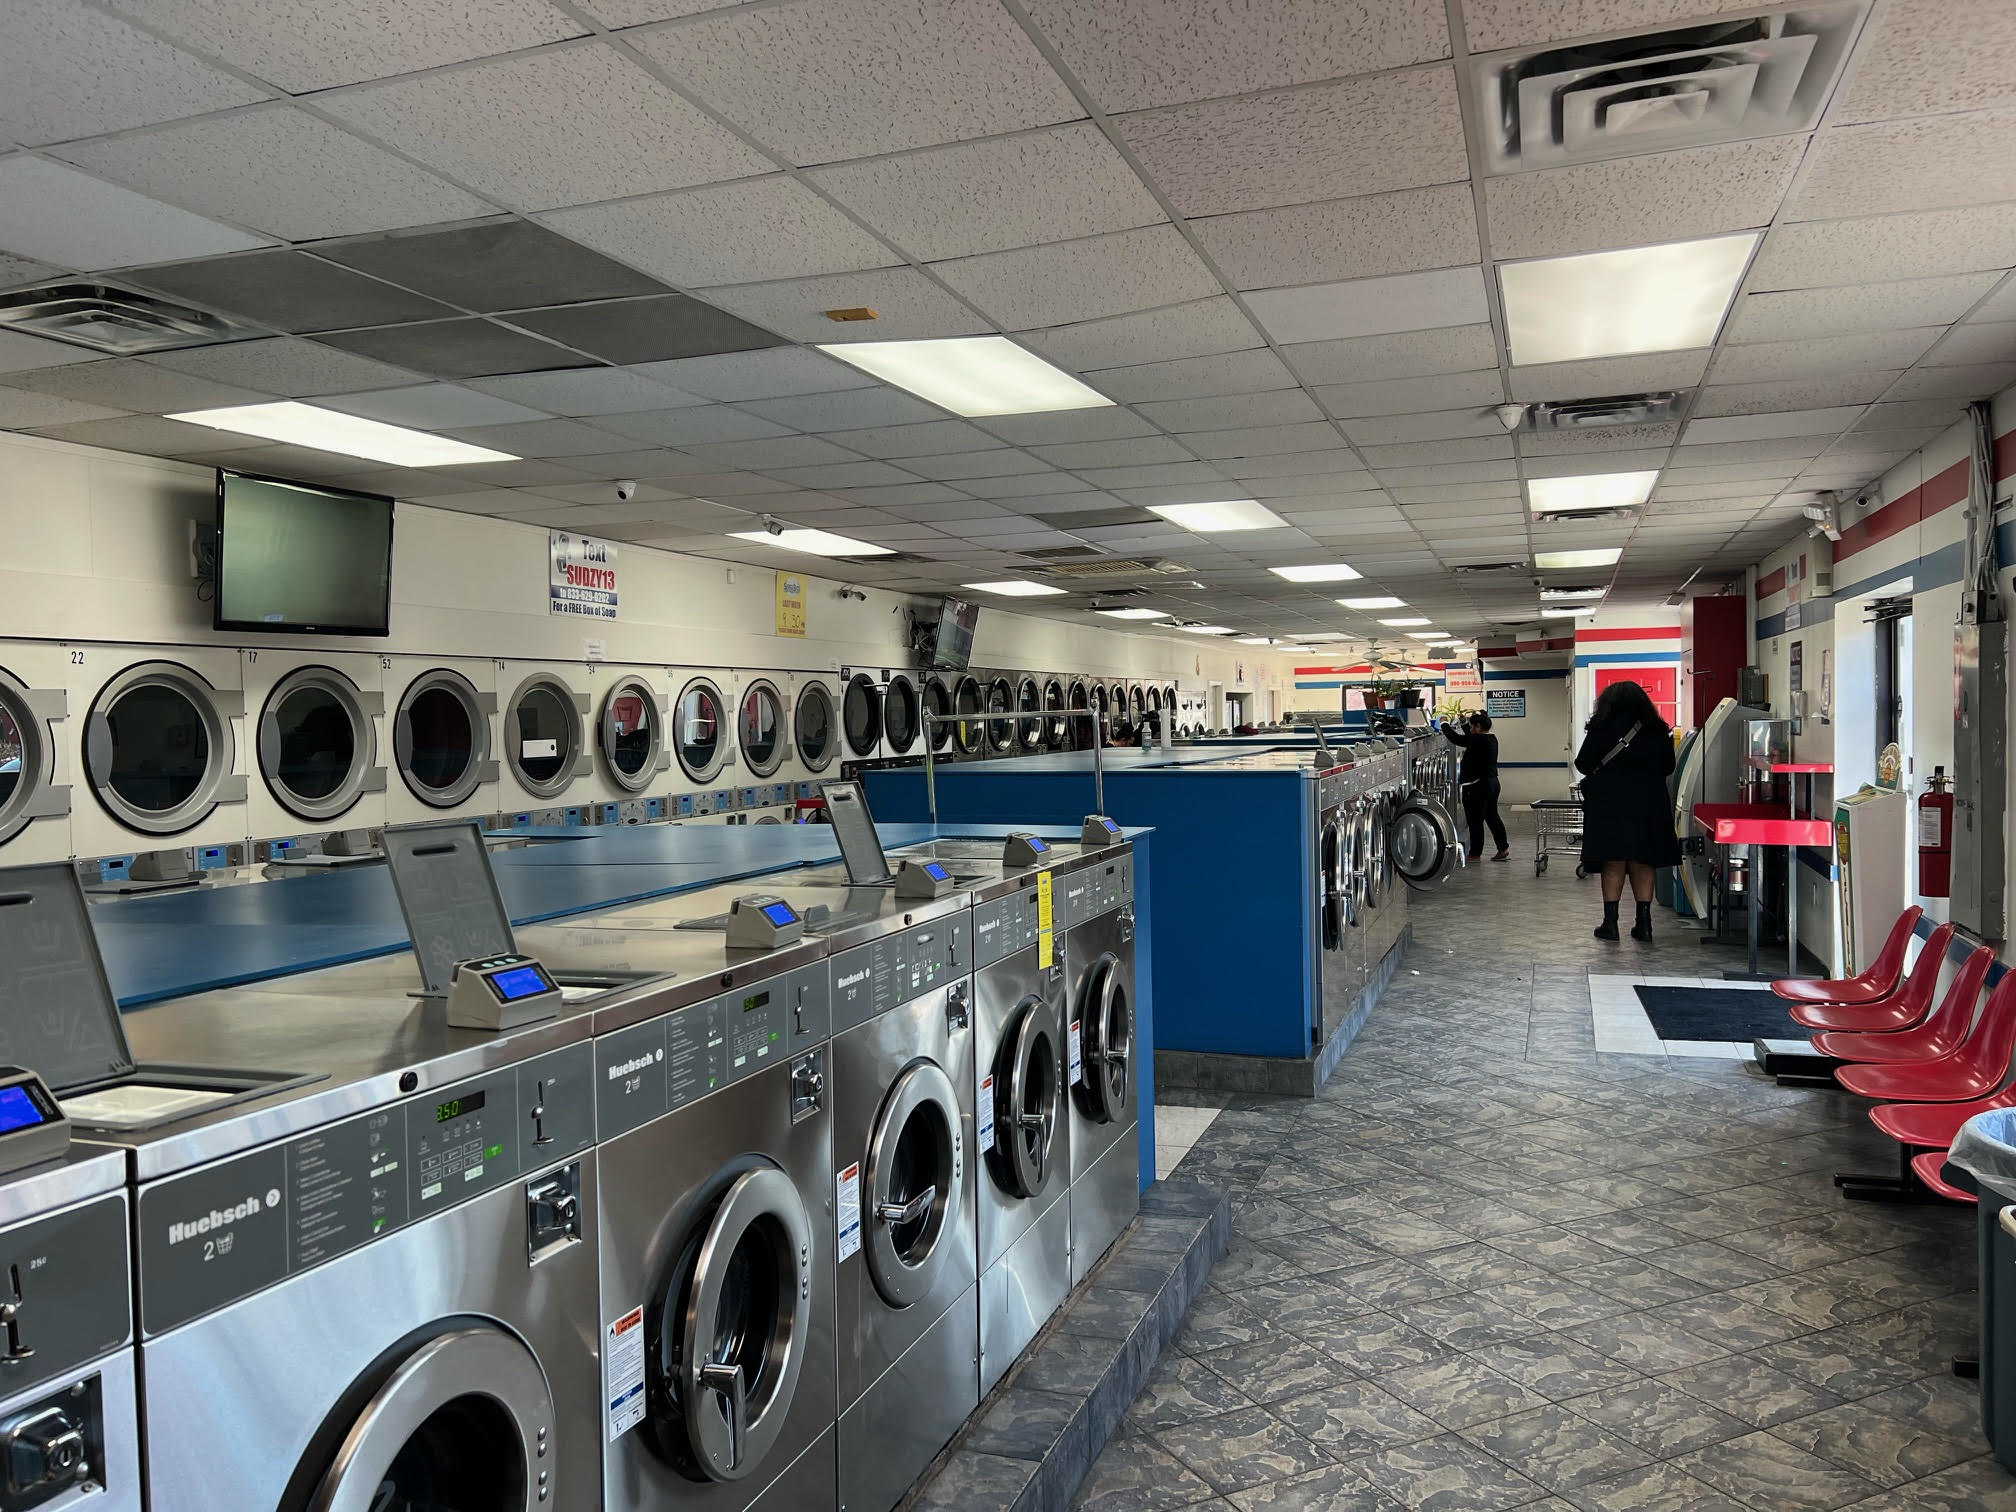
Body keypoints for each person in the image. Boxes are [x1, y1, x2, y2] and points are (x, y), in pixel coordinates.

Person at [1574, 680, 1681, 942]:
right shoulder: (1657, 730)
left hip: (1609, 803)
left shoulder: (1600, 728)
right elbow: (1668, 766)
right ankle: (1644, 925)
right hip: (1649, 803)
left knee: (1614, 860)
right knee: (1643, 860)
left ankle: (1610, 925)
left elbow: (1583, 763)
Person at [1441, 710, 1508, 861]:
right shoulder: (1491, 738)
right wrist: (1465, 723)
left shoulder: (1477, 740)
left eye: (1472, 727)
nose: (1470, 730)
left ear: (1478, 726)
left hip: (1477, 786)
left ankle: (1475, 854)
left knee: (1475, 820)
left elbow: (1456, 739)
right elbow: (1471, 738)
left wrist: (1444, 723)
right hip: (1492, 783)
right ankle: (1503, 848)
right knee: (1492, 817)